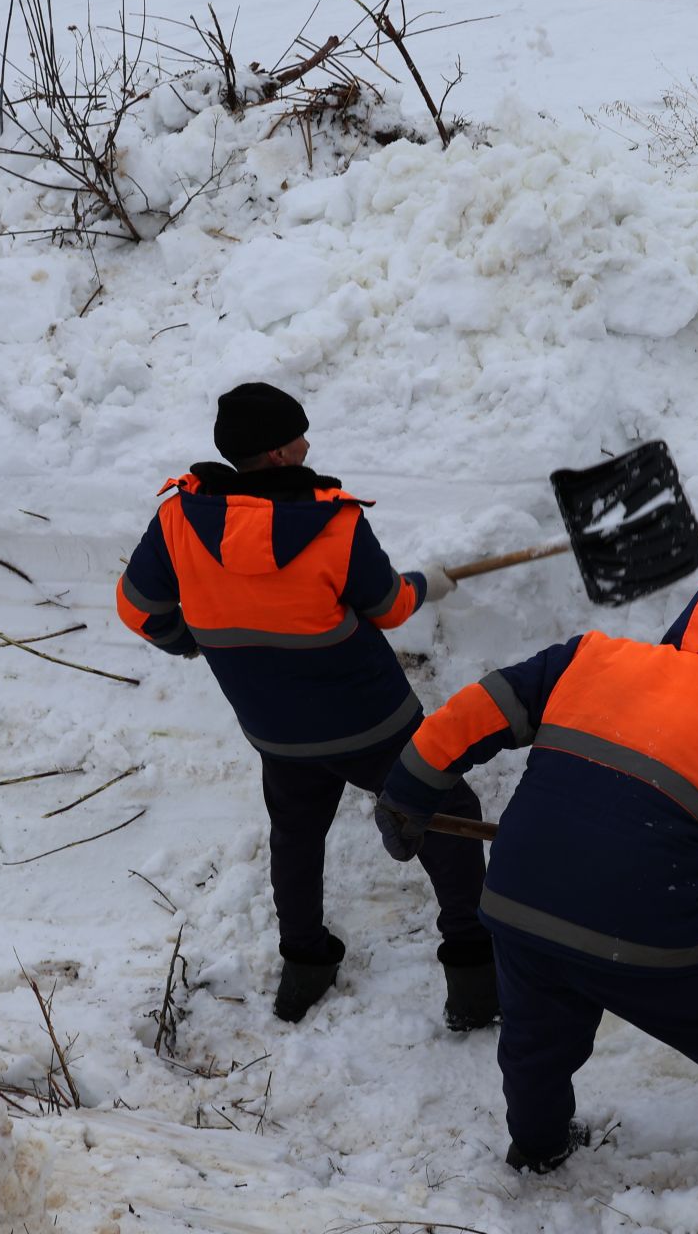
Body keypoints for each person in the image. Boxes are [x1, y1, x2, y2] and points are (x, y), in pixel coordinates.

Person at [373, 561, 698, 1199]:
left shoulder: (592, 658)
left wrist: (408, 793)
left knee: (535, 1042)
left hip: (520, 903)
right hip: (652, 933)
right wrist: (661, 887)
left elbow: (477, 712)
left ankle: (539, 1147)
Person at [116, 382, 496, 1029]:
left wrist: (203, 642)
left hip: (275, 729)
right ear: (280, 455)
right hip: (372, 721)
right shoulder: (332, 523)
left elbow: (137, 609)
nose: (309, 443)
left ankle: (305, 963)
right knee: (446, 816)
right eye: (299, 436)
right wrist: (427, 583)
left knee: (295, 834)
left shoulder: (180, 518)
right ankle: (474, 974)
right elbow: (391, 608)